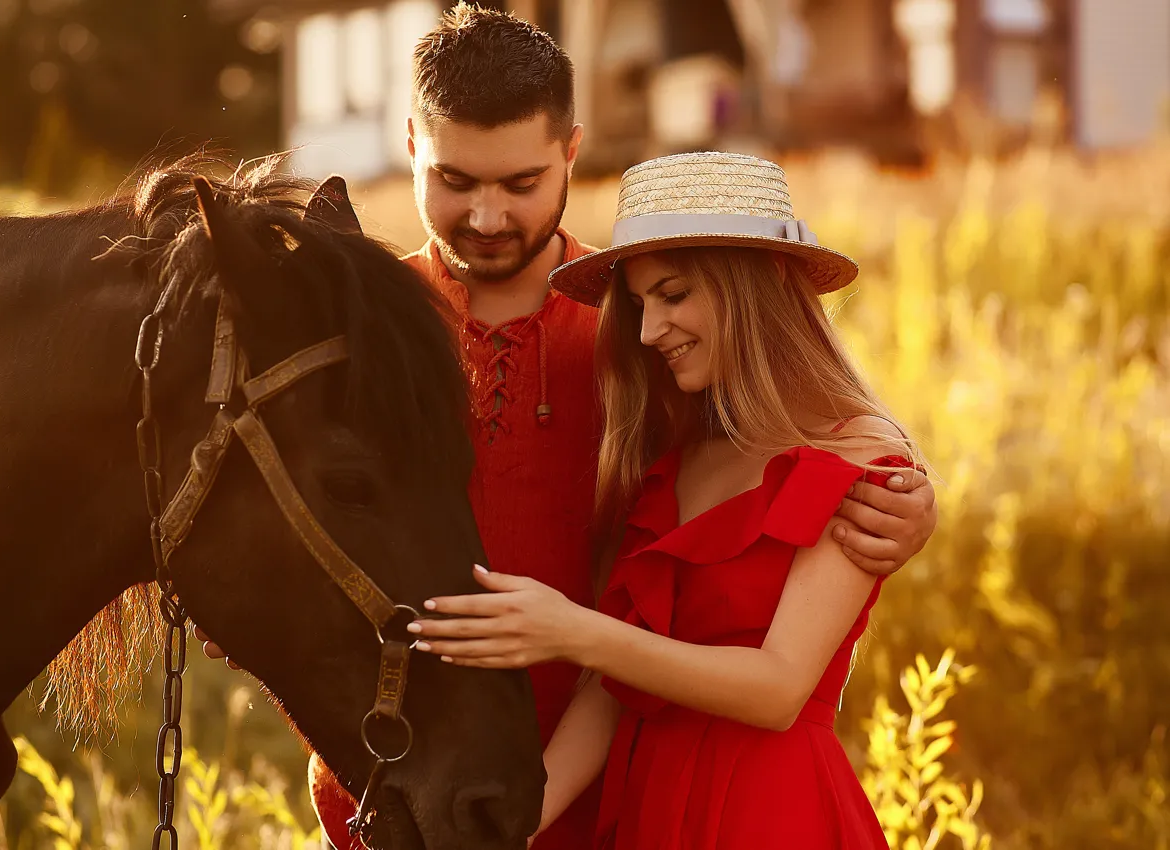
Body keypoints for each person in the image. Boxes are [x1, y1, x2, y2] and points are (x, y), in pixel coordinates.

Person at [198, 8, 940, 849]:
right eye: (455, 179)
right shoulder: (353, 335)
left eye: (520, 184)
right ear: (410, 145)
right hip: (403, 795)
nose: (486, 217)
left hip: (612, 795)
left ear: (571, 154)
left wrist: (909, 497)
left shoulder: (639, 349)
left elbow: (787, 451)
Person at [405, 151, 923, 849]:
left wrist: (570, 630)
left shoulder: (857, 454)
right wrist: (512, 830)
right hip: (651, 810)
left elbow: (777, 690)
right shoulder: (675, 464)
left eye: (673, 295)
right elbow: (611, 689)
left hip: (771, 813)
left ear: (755, 286)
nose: (649, 332)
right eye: (642, 304)